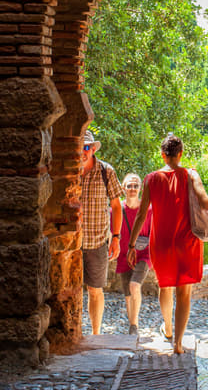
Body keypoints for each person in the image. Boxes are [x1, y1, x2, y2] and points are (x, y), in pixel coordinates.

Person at [128, 134, 208, 354]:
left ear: (163, 155)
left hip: (161, 243)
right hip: (187, 243)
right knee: (184, 293)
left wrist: (131, 245)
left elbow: (141, 215)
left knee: (165, 286)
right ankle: (178, 343)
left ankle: (168, 328)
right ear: (181, 154)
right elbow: (206, 202)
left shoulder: (151, 179)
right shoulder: (191, 174)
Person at [79, 129, 123, 335]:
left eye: (86, 147)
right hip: (71, 243)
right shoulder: (67, 171)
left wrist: (116, 237)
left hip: (97, 242)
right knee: (68, 291)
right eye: (79, 147)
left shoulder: (107, 171)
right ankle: (73, 332)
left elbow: (116, 206)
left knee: (95, 291)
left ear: (93, 149)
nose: (83, 151)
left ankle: (96, 333)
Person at [114, 173, 152, 335]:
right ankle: (132, 324)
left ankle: (134, 327)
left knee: (134, 285)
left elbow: (154, 232)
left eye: (135, 185)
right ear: (123, 188)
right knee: (128, 295)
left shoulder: (148, 210)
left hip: (144, 254)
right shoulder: (117, 210)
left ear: (140, 189)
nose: (132, 188)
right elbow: (111, 232)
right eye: (129, 185)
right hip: (123, 255)